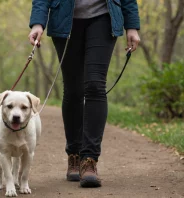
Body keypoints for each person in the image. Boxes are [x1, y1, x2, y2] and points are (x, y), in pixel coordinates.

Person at [28, 0, 140, 187]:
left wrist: (132, 26)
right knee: (74, 90)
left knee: (96, 85)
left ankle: (89, 160)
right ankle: (74, 154)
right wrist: (38, 23)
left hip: (104, 17)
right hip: (65, 19)